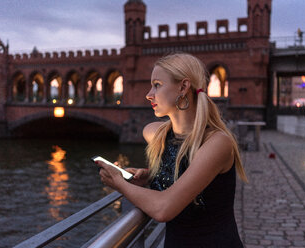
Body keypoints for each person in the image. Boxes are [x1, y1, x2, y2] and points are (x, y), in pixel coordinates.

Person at [97, 53, 248, 248]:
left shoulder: (217, 143)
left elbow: (163, 209)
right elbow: (184, 170)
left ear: (183, 87)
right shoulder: (160, 135)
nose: (149, 94)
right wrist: (153, 176)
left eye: (157, 85)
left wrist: (120, 183)